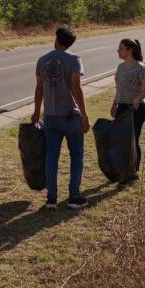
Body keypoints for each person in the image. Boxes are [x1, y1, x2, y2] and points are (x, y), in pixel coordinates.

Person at [32, 26, 90, 210]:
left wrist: (35, 111)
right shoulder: (74, 60)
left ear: (56, 39)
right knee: (76, 155)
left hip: (50, 116)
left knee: (51, 157)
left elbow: (39, 88)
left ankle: (51, 198)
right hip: (71, 115)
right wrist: (85, 114)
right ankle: (74, 196)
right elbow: (76, 88)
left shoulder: (42, 60)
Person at [110, 38, 145, 183]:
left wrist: (137, 98)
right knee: (120, 140)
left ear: (130, 50)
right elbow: (119, 89)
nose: (118, 51)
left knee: (133, 141)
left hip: (136, 109)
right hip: (121, 107)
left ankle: (133, 173)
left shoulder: (140, 68)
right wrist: (114, 104)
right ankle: (122, 170)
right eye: (118, 48)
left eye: (121, 48)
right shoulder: (120, 68)